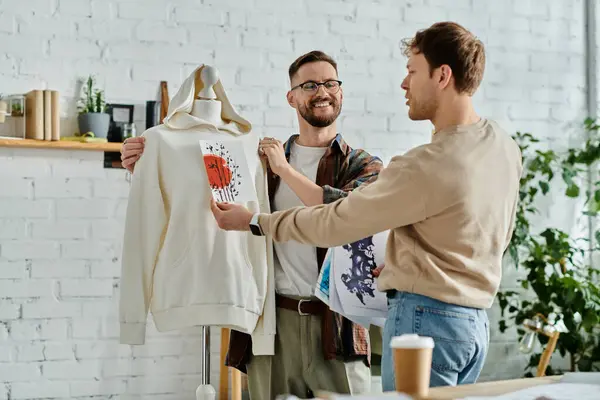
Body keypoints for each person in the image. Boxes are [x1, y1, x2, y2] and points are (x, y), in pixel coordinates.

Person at [209, 22, 523, 391]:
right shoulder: (501, 145)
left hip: (421, 320)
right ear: (291, 97)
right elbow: (493, 232)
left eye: (412, 72)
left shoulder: (421, 164)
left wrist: (258, 221)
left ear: (442, 76)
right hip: (471, 326)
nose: (404, 84)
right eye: (310, 84)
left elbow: (336, 220)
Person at [120, 51, 383, 399]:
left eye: (330, 83)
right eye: (310, 84)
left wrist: (284, 172)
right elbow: (203, 195)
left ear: (341, 91)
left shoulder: (363, 164)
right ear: (292, 97)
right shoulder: (256, 159)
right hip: (271, 324)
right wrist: (143, 167)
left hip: (337, 328)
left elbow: (345, 214)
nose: (322, 91)